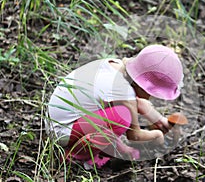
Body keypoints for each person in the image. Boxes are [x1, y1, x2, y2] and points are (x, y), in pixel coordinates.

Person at [46, 44, 184, 169]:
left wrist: (159, 120)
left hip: (60, 121)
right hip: (62, 132)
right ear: (141, 85)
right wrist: (158, 136)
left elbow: (136, 102)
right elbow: (134, 135)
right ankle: (77, 155)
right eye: (151, 92)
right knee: (122, 117)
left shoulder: (116, 66)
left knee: (123, 113)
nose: (151, 96)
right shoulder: (123, 91)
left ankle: (104, 146)